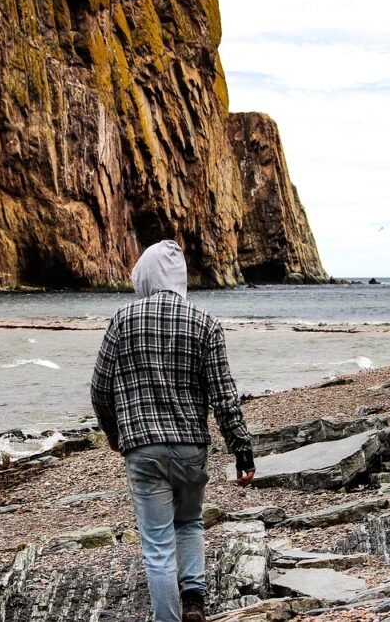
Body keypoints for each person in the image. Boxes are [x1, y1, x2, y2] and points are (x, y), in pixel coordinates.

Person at [91, 240, 255, 622]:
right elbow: (224, 395)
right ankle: (194, 600)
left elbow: (100, 387)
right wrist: (241, 451)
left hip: (143, 448)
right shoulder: (206, 323)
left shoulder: (122, 319)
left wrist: (114, 432)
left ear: (145, 274)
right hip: (190, 446)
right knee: (190, 521)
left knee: (157, 545)